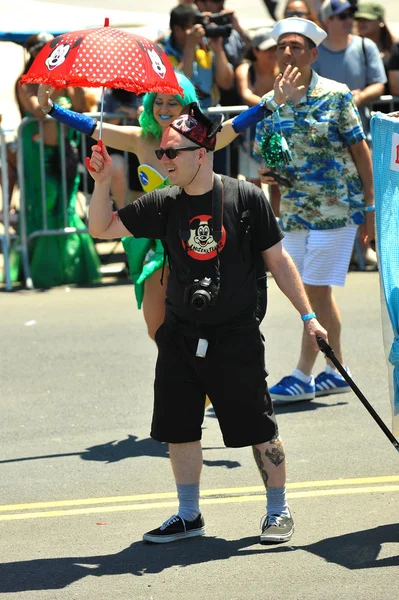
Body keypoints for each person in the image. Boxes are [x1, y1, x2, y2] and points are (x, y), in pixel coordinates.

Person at [86, 101, 328, 544]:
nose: (164, 160)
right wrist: (102, 183)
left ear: (202, 152)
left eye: (172, 152)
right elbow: (102, 228)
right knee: (179, 427)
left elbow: (278, 259)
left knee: (260, 427)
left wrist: (308, 316)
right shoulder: (162, 203)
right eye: (161, 152)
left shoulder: (246, 197)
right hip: (180, 334)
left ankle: (278, 510)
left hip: (235, 333)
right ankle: (188, 514)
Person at [39, 66, 303, 338]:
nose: (164, 108)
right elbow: (95, 127)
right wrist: (51, 109)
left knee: (210, 326)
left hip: (200, 238)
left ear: (186, 106)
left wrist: (270, 104)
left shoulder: (203, 139)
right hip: (158, 242)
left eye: (172, 102)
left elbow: (236, 125)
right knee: (158, 332)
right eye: (158, 101)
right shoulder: (140, 140)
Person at [254, 17, 375, 402]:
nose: (287, 53)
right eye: (281, 47)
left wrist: (370, 209)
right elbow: (268, 160)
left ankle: (302, 375)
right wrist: (271, 192)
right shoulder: (269, 103)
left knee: (313, 292)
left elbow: (361, 151)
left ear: (313, 54)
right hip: (293, 214)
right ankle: (337, 370)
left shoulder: (337, 95)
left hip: (335, 211)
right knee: (316, 296)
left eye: (296, 46)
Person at [13, 32, 101, 288]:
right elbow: (37, 110)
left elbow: (82, 106)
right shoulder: (26, 83)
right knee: (45, 202)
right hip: (37, 154)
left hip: (66, 153)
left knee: (66, 203)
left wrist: (72, 81)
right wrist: (49, 84)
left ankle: (70, 266)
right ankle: (39, 267)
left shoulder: (66, 81)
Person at [313, 0, 386, 139]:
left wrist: (360, 97)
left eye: (351, 15)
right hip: (324, 136)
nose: (349, 20)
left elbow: (378, 85)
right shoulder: (314, 52)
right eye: (342, 16)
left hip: (361, 133)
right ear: (328, 20)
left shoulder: (366, 46)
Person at [162, 4, 234, 110]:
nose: (199, 30)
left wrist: (218, 50)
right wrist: (190, 46)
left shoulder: (206, 46)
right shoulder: (163, 52)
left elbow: (226, 83)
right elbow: (179, 86)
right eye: (193, 26)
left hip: (210, 116)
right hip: (180, 116)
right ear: (177, 29)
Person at [235, 29, 278, 185]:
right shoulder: (245, 69)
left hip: (276, 133)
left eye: (275, 48)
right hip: (250, 135)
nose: (273, 53)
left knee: (277, 183)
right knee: (253, 183)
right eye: (268, 49)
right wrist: (271, 104)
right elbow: (246, 94)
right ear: (256, 51)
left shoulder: (281, 69)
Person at [354, 3, 399, 112]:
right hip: (362, 111)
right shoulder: (351, 49)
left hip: (389, 111)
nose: (361, 23)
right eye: (359, 19)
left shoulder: (394, 48)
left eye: (367, 19)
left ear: (381, 21)